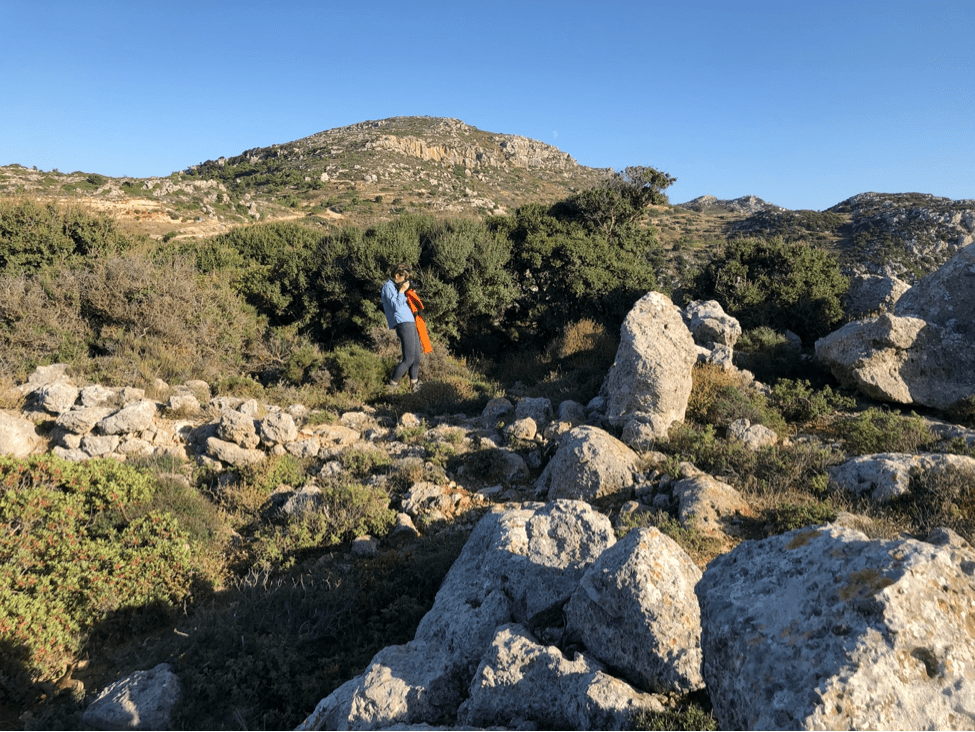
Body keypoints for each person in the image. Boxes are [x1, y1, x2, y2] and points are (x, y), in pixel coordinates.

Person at [381, 263, 423, 392]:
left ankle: (414, 386)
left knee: (416, 358)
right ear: (396, 275)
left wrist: (409, 294)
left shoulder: (397, 286)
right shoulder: (388, 287)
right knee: (408, 359)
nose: (406, 282)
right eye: (404, 278)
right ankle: (391, 386)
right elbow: (396, 306)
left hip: (410, 321)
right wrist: (401, 291)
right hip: (403, 323)